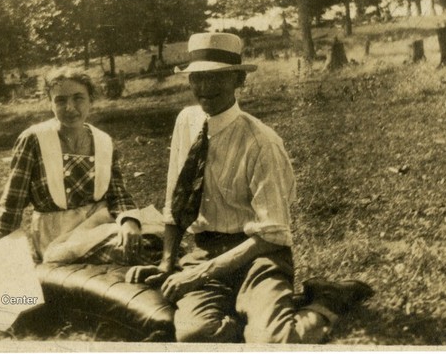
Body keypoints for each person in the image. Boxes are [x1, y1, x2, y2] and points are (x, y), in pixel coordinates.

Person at [127, 33, 373, 343]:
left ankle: (327, 299)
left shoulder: (262, 142)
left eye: (217, 77)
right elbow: (175, 203)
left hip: (258, 257)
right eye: (198, 78)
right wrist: (167, 262)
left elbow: (271, 236)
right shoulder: (185, 121)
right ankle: (251, 313)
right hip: (203, 252)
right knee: (195, 335)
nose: (205, 88)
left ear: (239, 79)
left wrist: (199, 275)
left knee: (275, 342)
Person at [0, 69, 142, 261]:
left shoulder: (103, 141)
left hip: (100, 224)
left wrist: (129, 221)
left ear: (90, 100)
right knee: (126, 252)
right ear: (50, 104)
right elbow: (12, 204)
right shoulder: (34, 139)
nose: (70, 108)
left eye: (78, 98)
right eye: (60, 100)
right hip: (58, 237)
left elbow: (117, 193)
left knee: (150, 242)